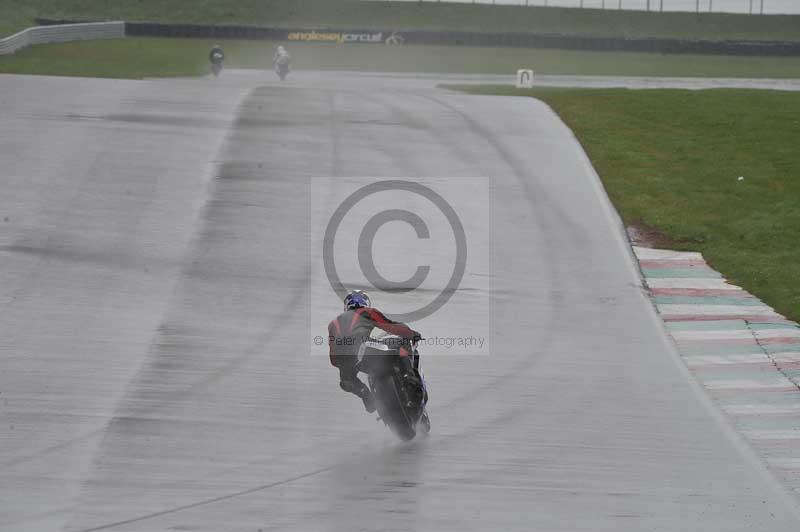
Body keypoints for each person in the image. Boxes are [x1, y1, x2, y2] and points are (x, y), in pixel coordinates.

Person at [328, 290, 421, 413]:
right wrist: (412, 334)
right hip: (363, 348)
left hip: (343, 360)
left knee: (348, 380)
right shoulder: (366, 312)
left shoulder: (333, 323)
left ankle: (367, 397)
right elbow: (390, 326)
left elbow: (333, 355)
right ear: (365, 303)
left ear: (346, 305)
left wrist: (342, 364)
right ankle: (409, 378)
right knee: (400, 343)